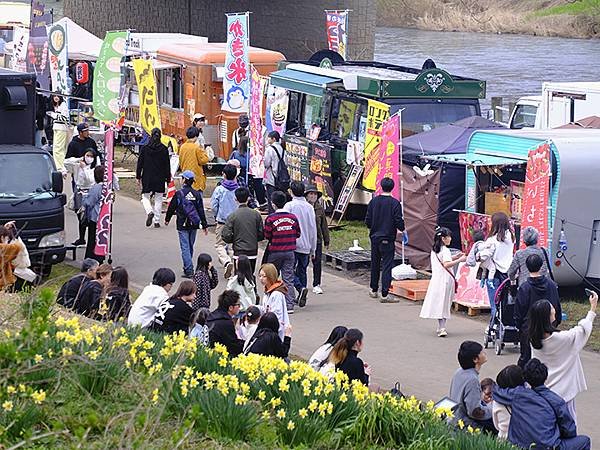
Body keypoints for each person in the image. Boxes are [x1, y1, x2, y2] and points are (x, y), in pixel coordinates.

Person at [529, 292, 598, 425]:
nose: (554, 309)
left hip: (544, 391)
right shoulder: (562, 339)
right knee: (568, 423)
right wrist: (592, 308)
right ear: (548, 317)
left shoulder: (533, 339)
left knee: (549, 425)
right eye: (551, 309)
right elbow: (582, 331)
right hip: (565, 392)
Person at [493, 358, 591, 450]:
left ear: (525, 378)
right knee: (585, 440)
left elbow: (498, 392)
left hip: (521, 445)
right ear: (545, 377)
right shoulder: (557, 400)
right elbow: (569, 430)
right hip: (548, 446)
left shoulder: (518, 394)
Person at [515, 253, 562, 368]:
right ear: (541, 266)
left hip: (529, 330)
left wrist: (519, 326)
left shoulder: (524, 288)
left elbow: (518, 312)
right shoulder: (551, 285)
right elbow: (557, 306)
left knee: (527, 360)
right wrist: (555, 322)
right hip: (549, 328)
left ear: (526, 266)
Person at [365, 177, 405, 302]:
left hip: (375, 237)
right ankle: (385, 293)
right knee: (387, 265)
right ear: (392, 187)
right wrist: (402, 229)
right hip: (388, 237)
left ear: (381, 186)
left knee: (375, 263)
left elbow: (368, 220)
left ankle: (373, 289)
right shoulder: (395, 203)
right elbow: (398, 220)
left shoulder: (374, 202)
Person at [420, 227, 466, 337]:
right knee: (444, 303)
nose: (450, 239)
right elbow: (446, 264)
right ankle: (442, 327)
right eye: (448, 237)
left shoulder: (435, 249)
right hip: (445, 280)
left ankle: (441, 326)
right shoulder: (444, 250)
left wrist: (455, 257)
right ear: (443, 238)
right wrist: (460, 260)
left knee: (440, 302)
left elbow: (444, 260)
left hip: (437, 279)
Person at [165, 170, 208, 278]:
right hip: (194, 224)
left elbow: (171, 207)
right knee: (190, 245)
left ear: (184, 180)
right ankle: (187, 266)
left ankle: (189, 269)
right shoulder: (197, 194)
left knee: (185, 247)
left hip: (182, 223)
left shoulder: (179, 194)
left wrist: (167, 219)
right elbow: (200, 210)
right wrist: (204, 224)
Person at [264, 191, 300, 311]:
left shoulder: (271, 218)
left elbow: (267, 235)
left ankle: (272, 302)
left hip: (275, 251)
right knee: (288, 277)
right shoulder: (293, 218)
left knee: (271, 277)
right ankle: (289, 304)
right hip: (290, 251)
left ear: (273, 204)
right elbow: (297, 233)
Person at [448, 340, 495, 433]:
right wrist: (492, 407)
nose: (484, 353)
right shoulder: (472, 380)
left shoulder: (459, 372)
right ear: (475, 359)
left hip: (454, 418)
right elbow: (475, 412)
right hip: (464, 425)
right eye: (481, 352)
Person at [284, 181, 317, 309]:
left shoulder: (289, 206)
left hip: (292, 243)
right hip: (306, 243)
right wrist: (313, 248)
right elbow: (313, 229)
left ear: (291, 192)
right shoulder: (309, 207)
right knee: (302, 269)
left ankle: (299, 287)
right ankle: (302, 292)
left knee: (288, 270)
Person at [222, 187, 264, 275]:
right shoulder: (256, 215)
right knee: (250, 275)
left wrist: (234, 239)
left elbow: (226, 235)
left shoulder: (232, 216)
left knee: (238, 277)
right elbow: (261, 234)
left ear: (235, 199)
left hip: (238, 250)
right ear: (248, 198)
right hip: (252, 250)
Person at [136, 127, 171, 228]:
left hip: (147, 176)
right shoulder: (164, 149)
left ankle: (149, 211)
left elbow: (140, 164)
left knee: (145, 196)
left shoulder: (145, 148)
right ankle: (156, 220)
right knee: (159, 198)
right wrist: (168, 178)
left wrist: (138, 176)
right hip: (160, 177)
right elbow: (167, 166)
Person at [484, 212, 515, 324]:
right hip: (507, 275)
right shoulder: (511, 237)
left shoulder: (491, 240)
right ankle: (506, 324)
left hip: (494, 274)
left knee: (494, 303)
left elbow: (485, 256)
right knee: (505, 302)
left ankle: (493, 326)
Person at [64, 148, 99, 247]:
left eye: (91, 156)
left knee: (90, 216)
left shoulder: (93, 169)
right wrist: (78, 160)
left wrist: (85, 168)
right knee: (80, 216)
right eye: (87, 155)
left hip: (89, 192)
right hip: (79, 192)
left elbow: (90, 180)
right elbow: (65, 162)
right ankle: (81, 238)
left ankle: (92, 239)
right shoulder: (77, 166)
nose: (89, 158)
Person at [210, 164, 239, 277]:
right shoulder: (238, 189)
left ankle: (226, 261)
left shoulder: (220, 189)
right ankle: (236, 265)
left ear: (224, 175)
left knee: (220, 245)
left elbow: (214, 205)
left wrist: (216, 215)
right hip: (236, 220)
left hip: (222, 220)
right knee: (233, 245)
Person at [305, 184, 330, 295]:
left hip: (317, 239)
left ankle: (316, 284)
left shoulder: (319, 208)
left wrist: (326, 240)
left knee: (317, 262)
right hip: (305, 239)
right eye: (311, 194)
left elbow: (324, 225)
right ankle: (302, 284)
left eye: (315, 194)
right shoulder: (303, 207)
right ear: (306, 196)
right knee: (303, 263)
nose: (313, 196)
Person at [206, 290, 245, 356]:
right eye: (238, 305)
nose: (239, 307)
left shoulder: (212, 315)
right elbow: (233, 345)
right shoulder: (226, 322)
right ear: (230, 308)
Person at [258, 264, 290, 340]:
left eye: (264, 276)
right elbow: (265, 308)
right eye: (260, 276)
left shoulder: (276, 294)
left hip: (276, 332)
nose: (261, 279)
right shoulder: (268, 291)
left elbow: (277, 315)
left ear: (270, 276)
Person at [493, 364, 525, 439]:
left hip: (503, 440)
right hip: (522, 440)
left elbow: (496, 425)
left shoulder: (496, 400)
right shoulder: (528, 398)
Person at [82, 166, 106, 262]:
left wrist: (84, 197)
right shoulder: (107, 187)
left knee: (92, 240)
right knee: (102, 239)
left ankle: (90, 259)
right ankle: (101, 257)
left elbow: (89, 203)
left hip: (95, 218)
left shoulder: (96, 188)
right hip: (104, 218)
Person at [179, 126, 209, 193]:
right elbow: (203, 161)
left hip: (185, 176)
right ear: (196, 136)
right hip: (196, 178)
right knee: (197, 197)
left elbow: (180, 161)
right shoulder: (196, 147)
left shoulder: (182, 147)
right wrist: (205, 152)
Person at [263, 130, 284, 213]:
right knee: (279, 199)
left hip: (271, 178)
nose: (267, 140)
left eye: (269, 138)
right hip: (281, 178)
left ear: (273, 139)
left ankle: (272, 216)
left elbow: (266, 164)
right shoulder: (282, 148)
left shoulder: (270, 149)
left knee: (271, 199)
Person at [0, 226, 26, 290]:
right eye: (7, 239)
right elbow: (18, 246)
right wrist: (15, 238)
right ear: (2, 237)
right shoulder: (2, 248)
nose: (7, 241)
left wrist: (5, 228)